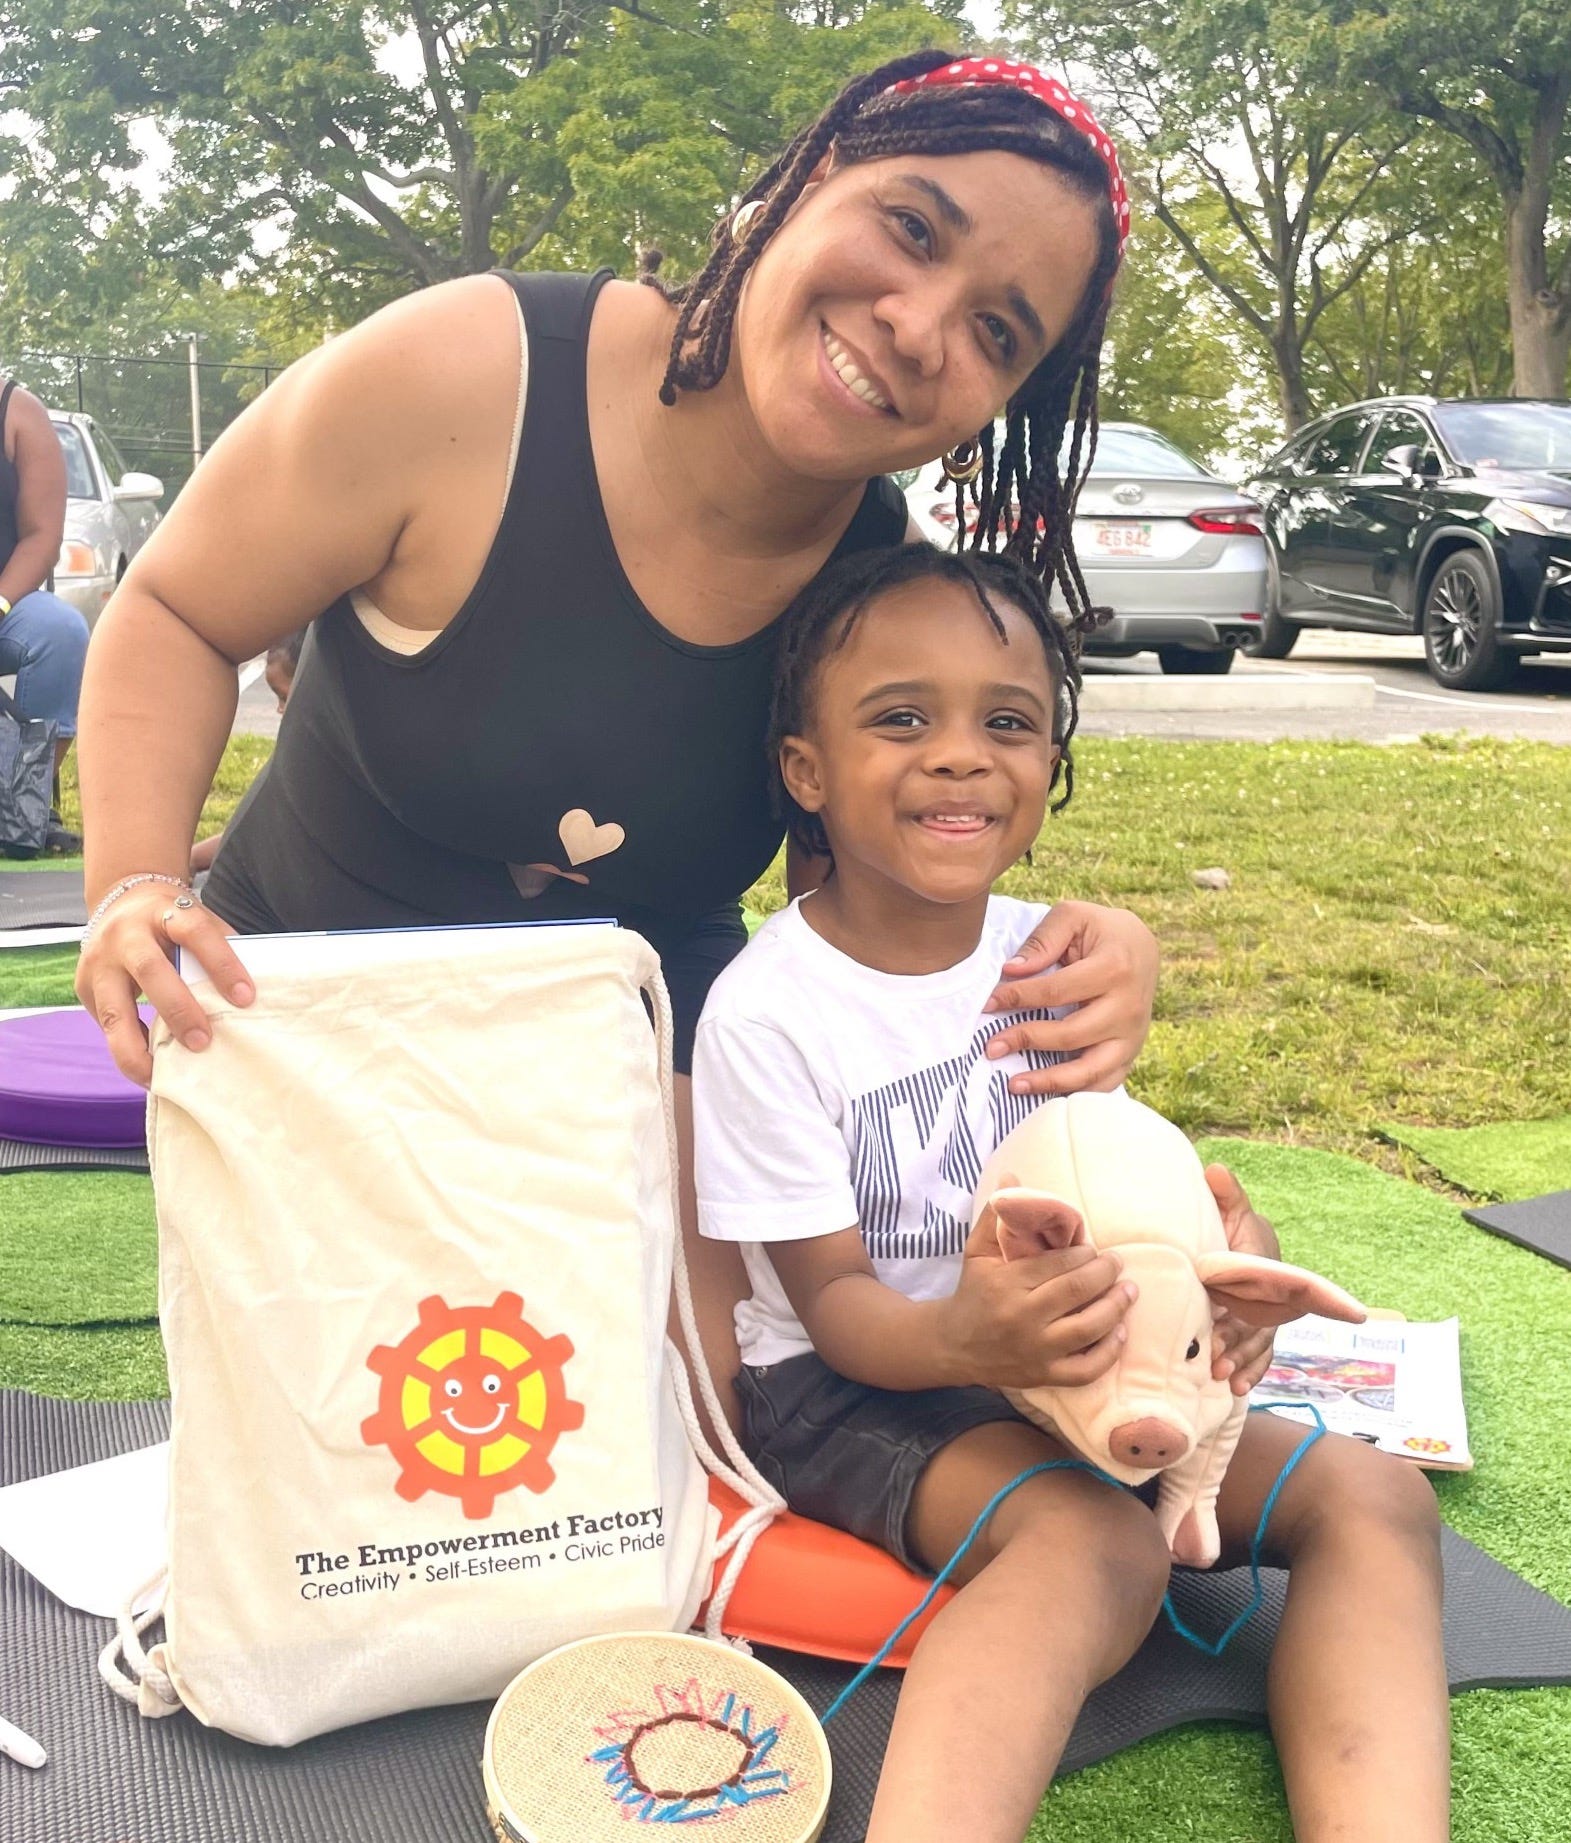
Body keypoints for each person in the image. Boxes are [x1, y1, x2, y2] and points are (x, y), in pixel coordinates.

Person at [74, 49, 1167, 1417]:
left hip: (632, 1087)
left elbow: (862, 930)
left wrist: (1077, 956)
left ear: (1006, 400)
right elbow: (172, 611)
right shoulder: (468, 370)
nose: (915, 322)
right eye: (908, 226)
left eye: (997, 331)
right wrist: (131, 885)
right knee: (345, 1467)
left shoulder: (874, 591)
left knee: (714, 1436)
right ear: (808, 179)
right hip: (310, 1032)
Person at [692, 542, 1449, 1843]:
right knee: (1096, 1544)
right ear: (804, 770)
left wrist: (1218, 1268)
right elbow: (831, 1307)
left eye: (1006, 720)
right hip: (852, 1383)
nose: (957, 753)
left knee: (1375, 1497)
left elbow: (1121, 1181)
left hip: (1071, 1355)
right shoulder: (766, 1013)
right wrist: (969, 1339)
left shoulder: (1050, 961)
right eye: (899, 717)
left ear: (1047, 769)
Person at [0, 374, 91, 852]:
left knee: (60, 631)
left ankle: (24, 805)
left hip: (5, 603)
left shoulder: (17, 410)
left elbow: (41, 536)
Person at [188, 630, 305, 875]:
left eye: (284, 697)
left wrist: (195, 859)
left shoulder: (309, 758)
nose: (279, 709)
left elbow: (262, 826)